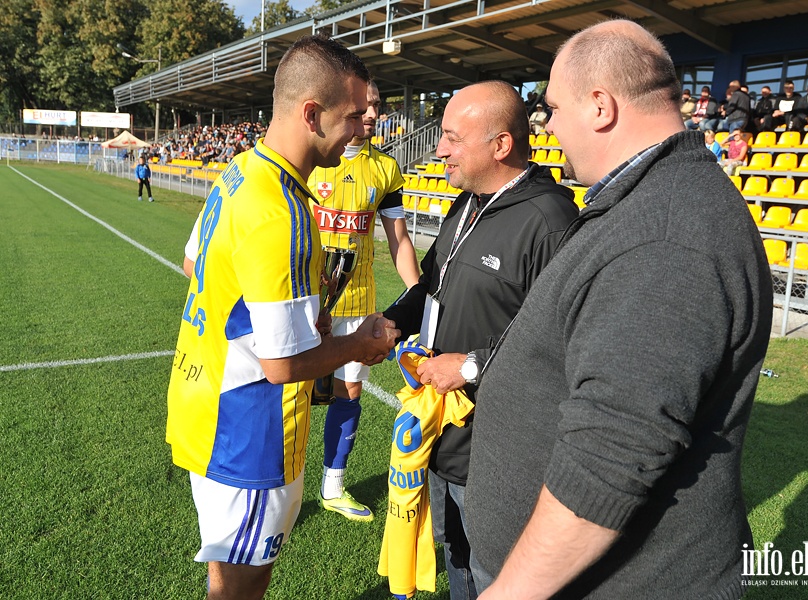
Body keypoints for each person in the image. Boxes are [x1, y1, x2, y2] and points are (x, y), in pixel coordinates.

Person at [466, 19, 773, 600]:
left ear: (600, 106)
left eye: (553, 108)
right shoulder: (653, 202)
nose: (548, 127)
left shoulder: (666, 234)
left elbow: (609, 460)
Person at [167, 34, 400, 600]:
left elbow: (194, 263)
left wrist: (285, 317)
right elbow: (280, 365)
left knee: (228, 572)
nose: (357, 132)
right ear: (313, 114)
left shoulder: (240, 172)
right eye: (351, 118)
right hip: (249, 431)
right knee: (243, 587)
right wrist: (359, 344)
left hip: (204, 401)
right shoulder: (284, 212)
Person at [381, 80, 579, 600]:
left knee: (500, 571)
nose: (439, 150)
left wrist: (468, 366)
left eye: (451, 138)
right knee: (456, 558)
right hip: (443, 428)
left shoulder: (550, 220)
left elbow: (561, 335)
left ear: (500, 145)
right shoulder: (466, 203)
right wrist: (390, 323)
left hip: (501, 443)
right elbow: (432, 284)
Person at [306, 79, 420, 522]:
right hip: (304, 301)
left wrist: (417, 294)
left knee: (348, 390)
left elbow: (399, 240)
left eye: (378, 106)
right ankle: (278, 486)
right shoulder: (313, 161)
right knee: (290, 390)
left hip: (357, 303)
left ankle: (332, 486)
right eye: (365, 106)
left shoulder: (387, 169)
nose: (373, 114)